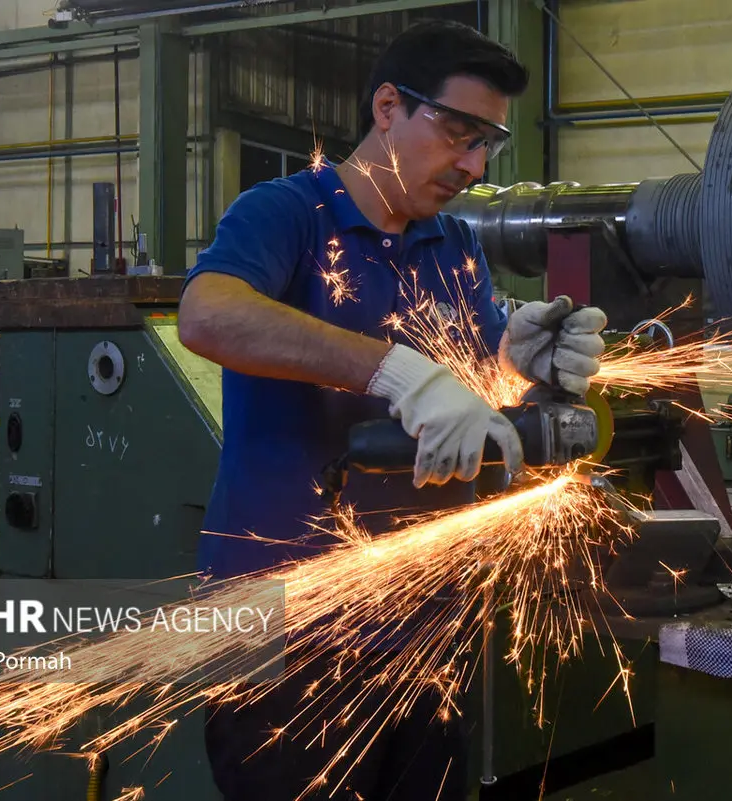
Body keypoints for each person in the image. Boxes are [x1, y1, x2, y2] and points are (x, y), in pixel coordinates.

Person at [178, 20, 608, 801]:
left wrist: (521, 360)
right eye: (459, 133)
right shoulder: (286, 213)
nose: (473, 165)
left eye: (489, 145)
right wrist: (394, 371)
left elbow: (471, 385)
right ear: (387, 106)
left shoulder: (455, 244)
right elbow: (207, 315)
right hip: (284, 629)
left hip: (419, 623)